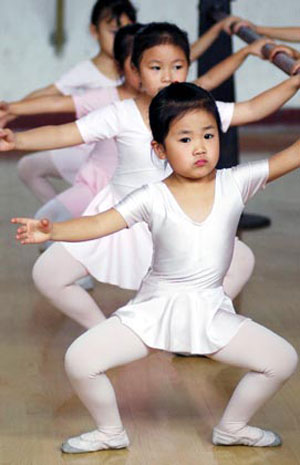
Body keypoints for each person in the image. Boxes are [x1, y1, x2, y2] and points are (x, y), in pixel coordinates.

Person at [12, 82, 299, 452]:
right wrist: (55, 230)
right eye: (184, 139)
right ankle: (110, 431)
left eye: (208, 135)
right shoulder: (152, 196)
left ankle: (233, 426)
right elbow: (101, 223)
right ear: (159, 149)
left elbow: (290, 156)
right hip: (153, 311)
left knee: (282, 359)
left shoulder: (236, 183)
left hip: (210, 312)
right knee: (80, 360)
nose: (199, 147)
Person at [1, 22, 300, 327]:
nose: (168, 76)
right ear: (136, 70)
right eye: (156, 67)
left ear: (187, 66)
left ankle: (192, 325)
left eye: (178, 66)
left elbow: (251, 110)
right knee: (49, 274)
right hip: (122, 219)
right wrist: (18, 140)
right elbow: (67, 133)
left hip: (176, 220)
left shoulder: (197, 110)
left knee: (242, 260)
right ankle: (105, 331)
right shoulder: (122, 112)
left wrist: (293, 84)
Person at [5, 0, 137, 206]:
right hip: (87, 150)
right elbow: (50, 96)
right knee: (28, 167)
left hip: (123, 155)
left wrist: (208, 34)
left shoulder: (141, 71)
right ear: (94, 31)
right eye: (113, 31)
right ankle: (62, 216)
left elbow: (184, 54)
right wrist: (11, 112)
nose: (121, 38)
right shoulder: (86, 70)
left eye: (126, 30)